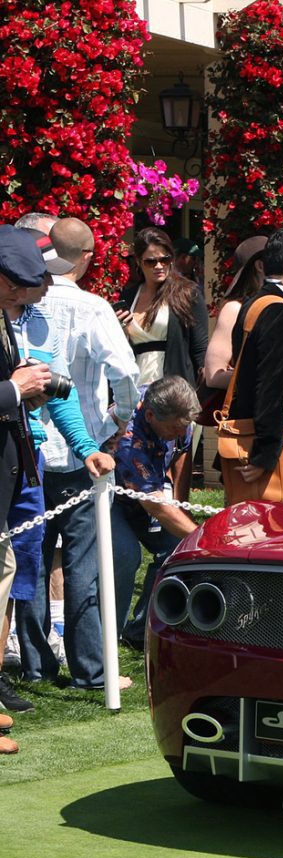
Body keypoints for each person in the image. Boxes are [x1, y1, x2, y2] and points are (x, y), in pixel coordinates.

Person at [12, 221, 130, 691]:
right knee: (41, 564)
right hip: (26, 461)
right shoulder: (89, 305)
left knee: (34, 562)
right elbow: (123, 373)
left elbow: (55, 390)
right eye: (39, 277)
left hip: (46, 456)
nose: (46, 286)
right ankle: (82, 669)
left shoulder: (40, 314)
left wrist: (88, 447)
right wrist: (116, 424)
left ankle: (41, 667)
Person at [0, 226, 60, 719]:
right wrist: (13, 390)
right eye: (15, 282)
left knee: (6, 572)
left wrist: (25, 388)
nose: (22, 292)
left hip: (10, 471)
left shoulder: (5, 313)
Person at [221, 226, 283, 506]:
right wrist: (266, 453)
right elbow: (272, 384)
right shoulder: (277, 310)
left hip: (274, 453)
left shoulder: (255, 303)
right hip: (281, 461)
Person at [111, 376, 200, 648]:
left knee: (176, 549)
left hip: (151, 491)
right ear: (150, 416)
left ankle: (140, 630)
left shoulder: (177, 414)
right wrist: (201, 536)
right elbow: (157, 508)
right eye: (174, 428)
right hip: (112, 499)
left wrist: (181, 506)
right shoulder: (128, 440)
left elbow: (182, 453)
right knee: (126, 556)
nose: (179, 432)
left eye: (183, 427)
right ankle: (108, 637)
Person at [117, 227, 208, 390]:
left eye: (164, 260)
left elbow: (200, 350)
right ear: (138, 261)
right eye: (151, 261)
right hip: (135, 390)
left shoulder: (187, 293)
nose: (159, 266)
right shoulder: (128, 297)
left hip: (175, 391)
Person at [202, 235, 267, 390]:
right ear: (260, 266)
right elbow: (213, 376)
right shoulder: (234, 309)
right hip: (247, 410)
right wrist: (268, 380)